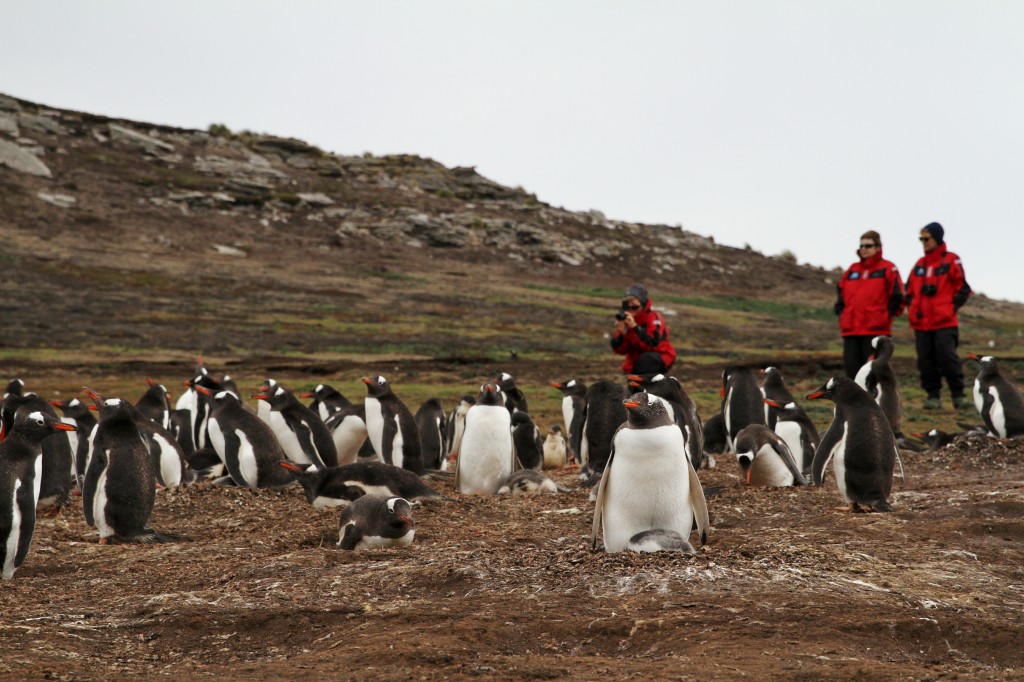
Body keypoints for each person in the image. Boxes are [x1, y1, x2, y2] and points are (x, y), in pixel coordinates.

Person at [905, 222, 972, 410]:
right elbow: (908, 291)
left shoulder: (951, 260)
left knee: (947, 358)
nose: (923, 242)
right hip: (921, 323)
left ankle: (958, 396)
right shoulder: (919, 264)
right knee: (925, 361)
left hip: (944, 321)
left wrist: (949, 310)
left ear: (937, 238)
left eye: (927, 239)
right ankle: (932, 396)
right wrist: (912, 309)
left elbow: (963, 289)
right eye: (921, 239)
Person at [833, 230, 906, 379]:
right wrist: (843, 315)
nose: (864, 249)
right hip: (851, 329)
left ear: (878, 247)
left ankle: (877, 403)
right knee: (852, 373)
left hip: (875, 329)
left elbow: (898, 296)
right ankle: (854, 403)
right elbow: (840, 295)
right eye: (861, 245)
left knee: (874, 374)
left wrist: (885, 317)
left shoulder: (888, 268)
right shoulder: (852, 269)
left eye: (868, 245)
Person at [611, 284, 676, 374]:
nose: (631, 310)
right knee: (634, 370)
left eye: (635, 307)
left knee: (646, 361)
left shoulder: (653, 317)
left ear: (643, 304)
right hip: (636, 361)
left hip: (660, 356)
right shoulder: (627, 319)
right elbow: (620, 350)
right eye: (628, 307)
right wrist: (623, 334)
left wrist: (635, 327)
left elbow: (652, 344)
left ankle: (652, 384)